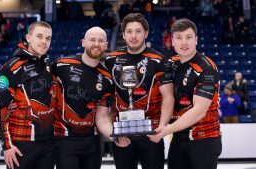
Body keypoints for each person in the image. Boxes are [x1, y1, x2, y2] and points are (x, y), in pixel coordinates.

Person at [51, 26, 128, 169]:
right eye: (92, 40)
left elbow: (102, 118)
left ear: (106, 45)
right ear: (83, 42)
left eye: (101, 41)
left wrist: (115, 136)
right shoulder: (61, 66)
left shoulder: (107, 78)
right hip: (65, 139)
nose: (97, 44)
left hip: (93, 141)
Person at [105, 13, 174, 169]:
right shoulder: (111, 60)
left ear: (146, 33)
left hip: (151, 135)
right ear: (123, 34)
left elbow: (168, 98)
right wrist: (114, 132)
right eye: (129, 31)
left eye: (138, 31)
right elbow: (106, 99)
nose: (133, 36)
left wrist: (161, 129)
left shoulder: (159, 60)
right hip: (122, 135)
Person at [152, 18, 222, 169]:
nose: (184, 42)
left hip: (204, 139)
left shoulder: (207, 67)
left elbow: (199, 111)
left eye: (189, 37)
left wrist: (166, 130)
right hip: (178, 137)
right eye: (179, 37)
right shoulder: (171, 63)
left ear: (196, 40)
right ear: (172, 41)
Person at [0, 21, 55, 169]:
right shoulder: (11, 67)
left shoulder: (48, 64)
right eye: (39, 36)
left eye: (48, 38)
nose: (44, 41)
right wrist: (7, 146)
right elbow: (0, 107)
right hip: (21, 144)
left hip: (48, 144)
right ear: (28, 38)